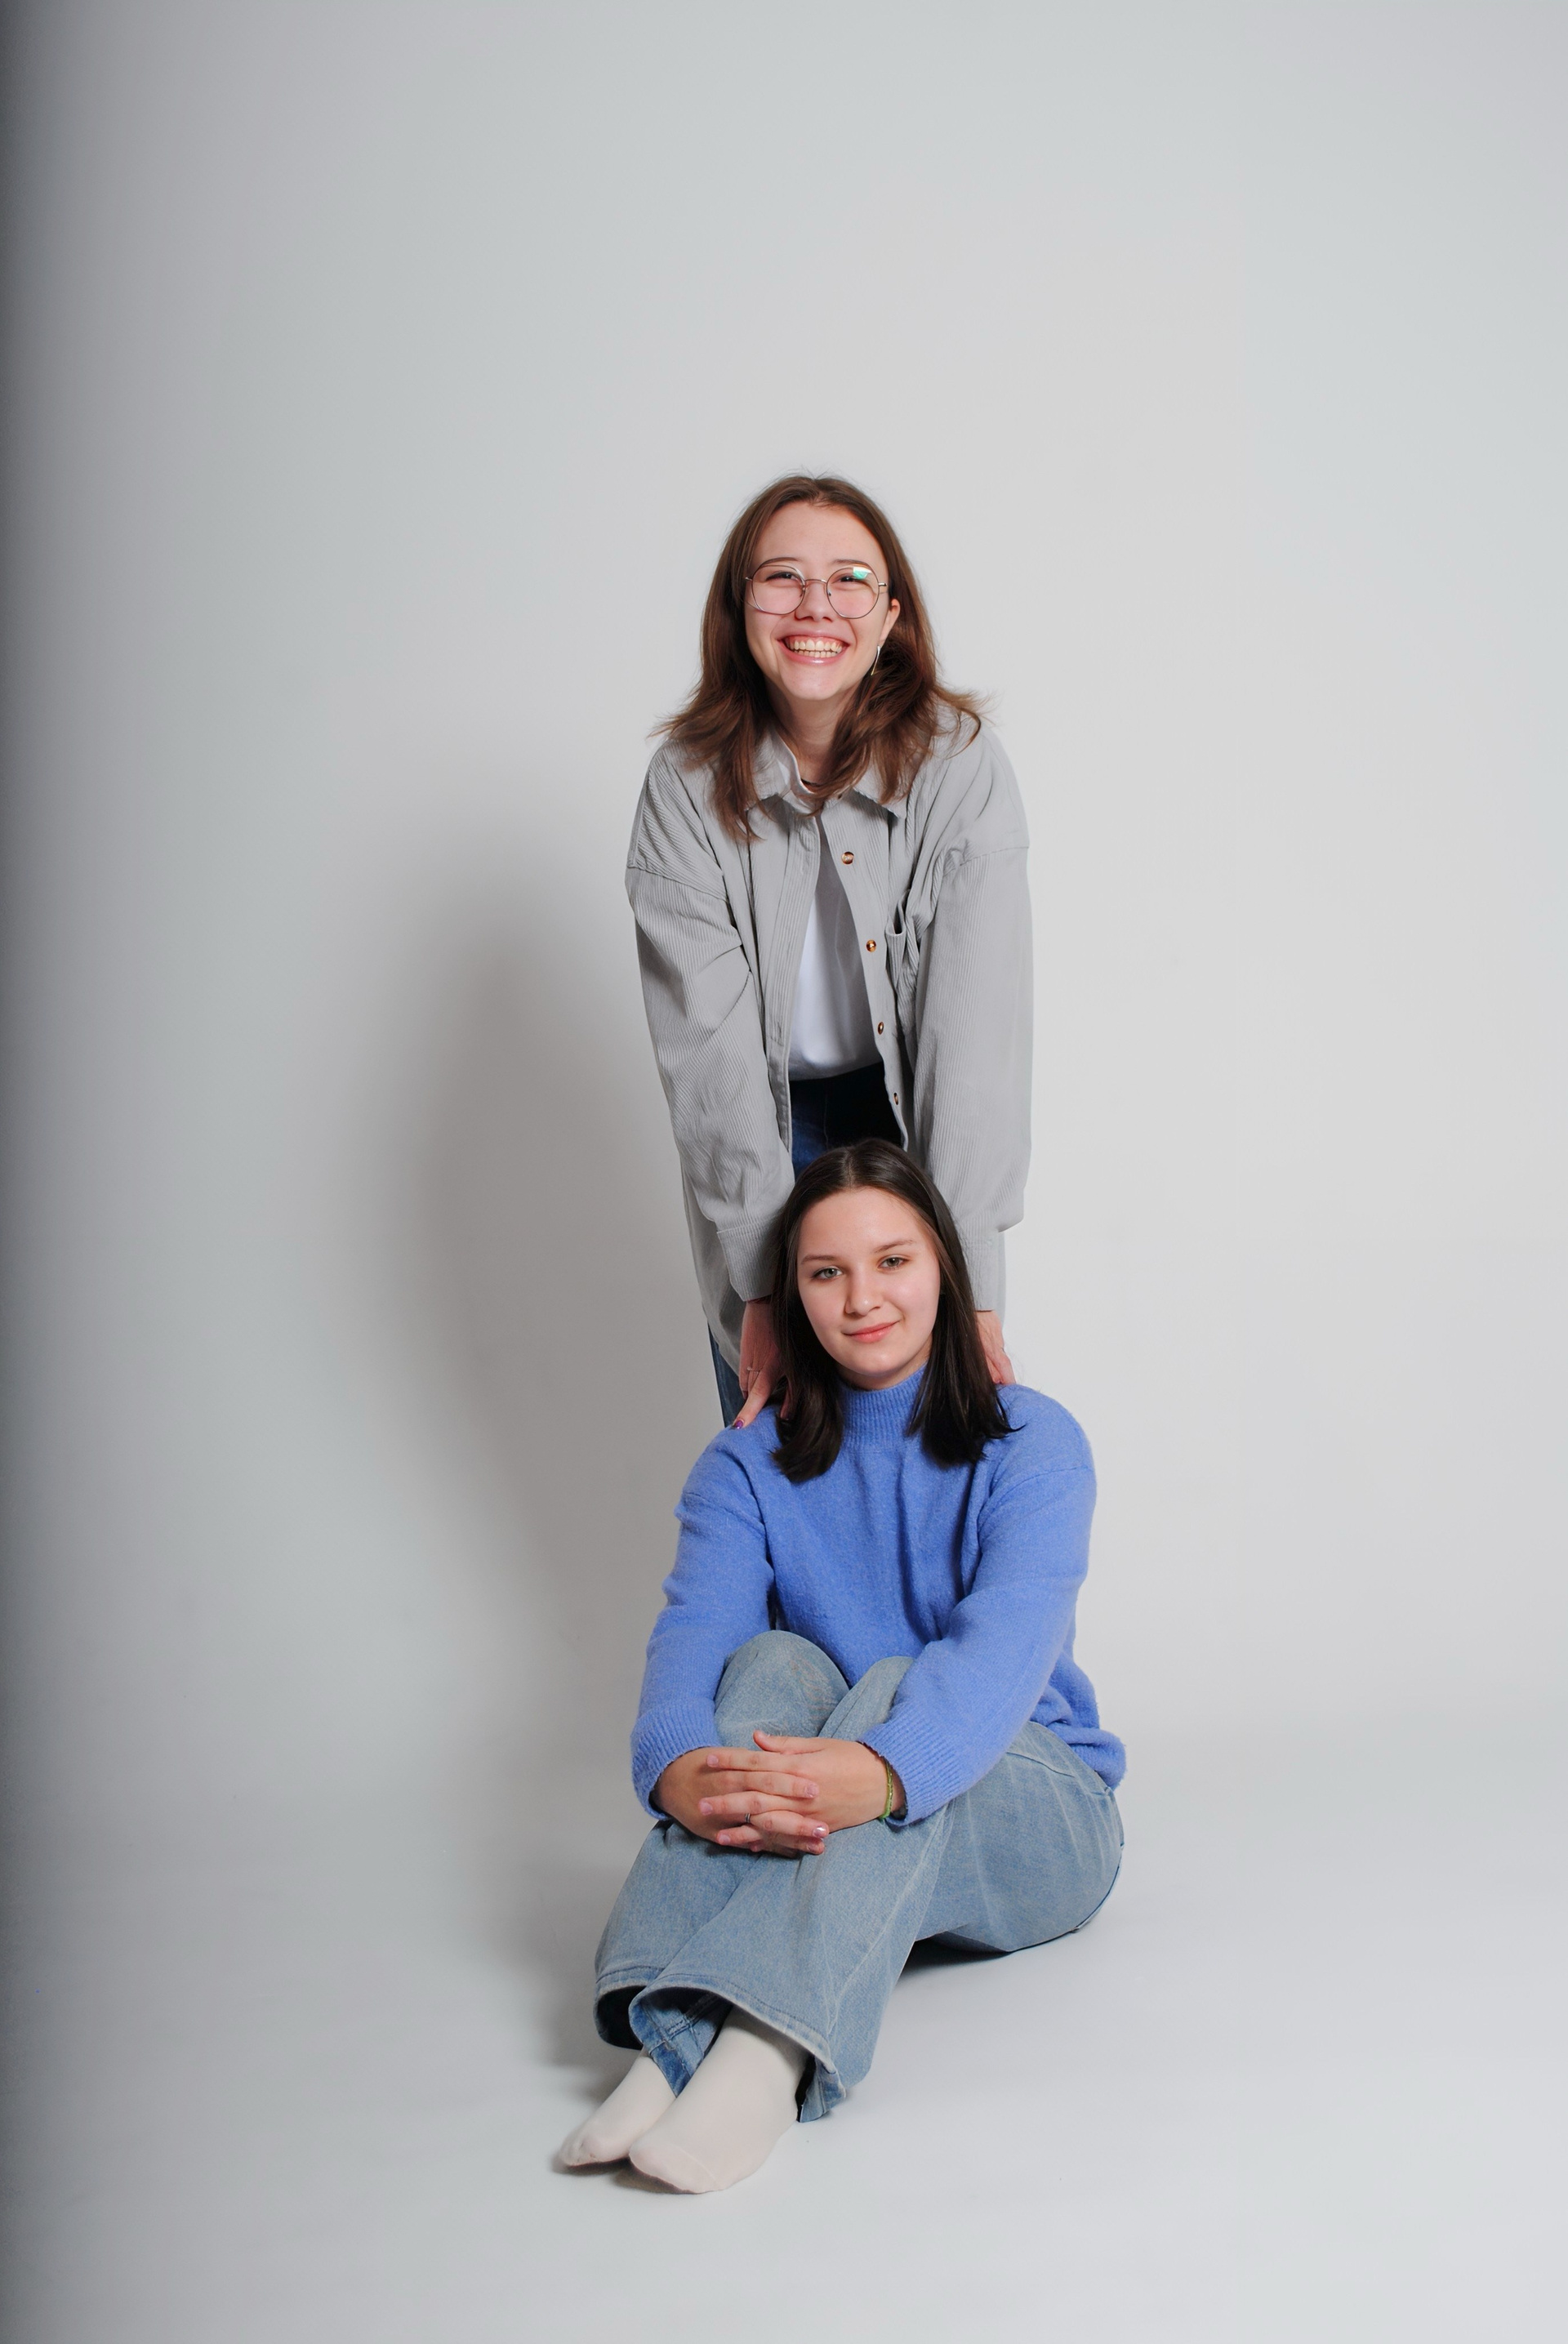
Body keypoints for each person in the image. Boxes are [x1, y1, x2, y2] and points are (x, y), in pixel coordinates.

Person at [559, 1143, 1124, 2194]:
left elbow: (1000, 1654)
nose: (864, 1298)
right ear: (792, 1296)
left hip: (1038, 1807)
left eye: (894, 1260)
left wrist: (883, 1766)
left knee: (898, 1682)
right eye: (827, 1272)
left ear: (945, 1267)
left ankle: (761, 2047)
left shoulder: (1034, 1440)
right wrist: (676, 1763)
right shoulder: (743, 1462)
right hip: (832, 1795)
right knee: (771, 1660)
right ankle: (671, 2032)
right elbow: (693, 1638)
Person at [626, 473, 1032, 1427]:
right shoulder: (683, 785)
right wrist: (763, 1284)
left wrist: (971, 1280)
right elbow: (708, 1053)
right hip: (760, 1127)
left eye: (850, 578)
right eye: (782, 577)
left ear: (891, 615)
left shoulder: (960, 766)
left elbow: (974, 1042)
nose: (815, 605)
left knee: (932, 1427)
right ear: (741, 606)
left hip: (915, 1121)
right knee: (782, 1420)